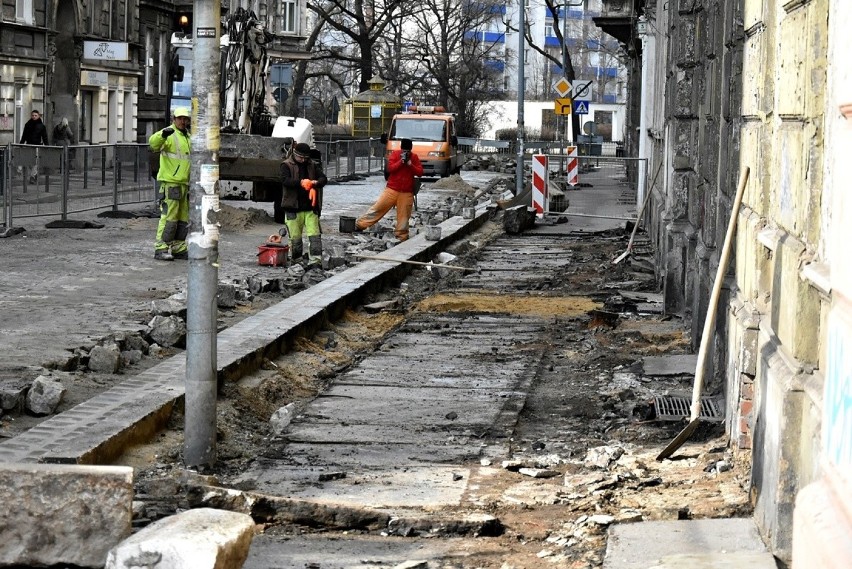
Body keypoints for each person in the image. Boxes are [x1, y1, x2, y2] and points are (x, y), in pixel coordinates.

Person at [355, 138, 423, 241]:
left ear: (410, 150)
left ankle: (401, 236)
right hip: (392, 189)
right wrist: (401, 162)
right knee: (378, 208)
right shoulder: (395, 155)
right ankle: (360, 225)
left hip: (406, 192)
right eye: (404, 151)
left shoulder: (414, 157)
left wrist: (410, 164)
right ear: (401, 149)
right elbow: (390, 169)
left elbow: (420, 172)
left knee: (404, 216)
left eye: (408, 151)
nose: (406, 153)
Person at [149, 107, 191, 261]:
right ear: (174, 119)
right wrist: (162, 134)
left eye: (185, 118)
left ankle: (179, 248)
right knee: (169, 218)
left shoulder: (187, 136)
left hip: (183, 184)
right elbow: (153, 144)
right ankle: (161, 248)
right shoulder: (169, 134)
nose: (182, 121)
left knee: (182, 219)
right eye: (180, 118)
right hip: (171, 182)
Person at [280, 142, 327, 267]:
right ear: (295, 154)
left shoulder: (312, 165)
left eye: (306, 158)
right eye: (301, 157)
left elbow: (323, 178)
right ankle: (296, 262)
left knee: (314, 236)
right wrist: (301, 183)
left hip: (310, 208)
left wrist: (314, 183)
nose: (303, 160)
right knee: (295, 239)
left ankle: (315, 263)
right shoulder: (286, 165)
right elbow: (285, 181)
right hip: (292, 208)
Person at [20, 109, 49, 183]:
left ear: (38, 116)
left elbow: (45, 137)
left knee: (35, 162)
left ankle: (32, 176)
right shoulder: (27, 124)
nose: (34, 117)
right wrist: (21, 144)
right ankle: (34, 174)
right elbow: (24, 135)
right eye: (33, 115)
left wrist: (47, 146)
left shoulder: (41, 126)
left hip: (37, 146)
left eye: (35, 115)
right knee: (30, 162)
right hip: (29, 145)